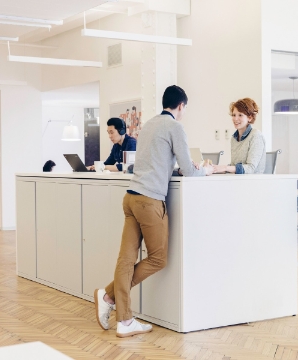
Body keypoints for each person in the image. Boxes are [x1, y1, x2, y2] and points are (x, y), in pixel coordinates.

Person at [94, 85, 214, 338]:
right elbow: (190, 171)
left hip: (131, 198)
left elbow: (155, 161)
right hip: (149, 201)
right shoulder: (175, 127)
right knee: (158, 258)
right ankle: (110, 298)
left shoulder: (148, 124)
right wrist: (206, 169)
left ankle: (118, 310)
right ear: (181, 106)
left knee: (126, 260)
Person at [212, 98, 266, 174]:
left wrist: (225, 168)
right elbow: (234, 166)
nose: (235, 119)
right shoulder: (234, 138)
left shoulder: (256, 135)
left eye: (240, 115)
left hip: (253, 182)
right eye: (234, 115)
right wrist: (214, 169)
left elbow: (251, 168)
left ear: (249, 118)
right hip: (238, 181)